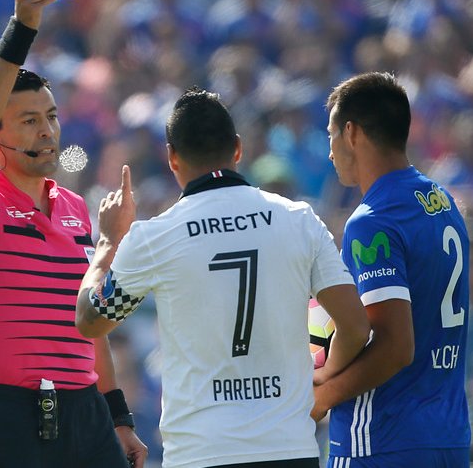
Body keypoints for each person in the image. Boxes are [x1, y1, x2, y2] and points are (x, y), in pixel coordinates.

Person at [74, 87, 371, 468]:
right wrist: (322, 383)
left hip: (202, 454)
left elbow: (90, 320)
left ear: (172, 158)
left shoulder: (155, 236)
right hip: (290, 448)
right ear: (238, 149)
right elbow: (355, 326)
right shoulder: (299, 219)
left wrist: (108, 240)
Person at [0, 0, 147, 468]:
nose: (47, 131)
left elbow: (90, 324)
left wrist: (119, 418)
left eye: (51, 117)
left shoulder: (75, 206)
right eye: (29, 120)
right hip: (7, 415)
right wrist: (21, 30)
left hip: (87, 415)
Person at [313, 72, 471, 466]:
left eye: (331, 135)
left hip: (383, 438)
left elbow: (395, 346)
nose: (330, 152)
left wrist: (322, 397)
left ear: (351, 133)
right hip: (448, 437)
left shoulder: (373, 220)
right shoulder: (443, 201)